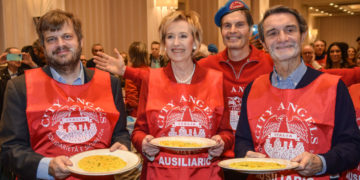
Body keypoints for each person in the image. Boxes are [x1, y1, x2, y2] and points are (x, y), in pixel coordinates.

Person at [94, 10, 233, 180]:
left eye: (183, 36)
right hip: (159, 173)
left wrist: (222, 142)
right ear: (163, 44)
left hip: (205, 174)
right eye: (169, 36)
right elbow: (139, 131)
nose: (176, 43)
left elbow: (227, 131)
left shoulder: (216, 80)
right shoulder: (152, 79)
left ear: (195, 41)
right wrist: (144, 143)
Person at [0, 9, 130, 180]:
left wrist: (122, 145)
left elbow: (120, 132)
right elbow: (10, 149)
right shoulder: (20, 87)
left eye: (67, 37)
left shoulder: (109, 83)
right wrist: (47, 166)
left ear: (81, 41)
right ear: (43, 47)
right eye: (51, 39)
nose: (60, 44)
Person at [235, 5, 360, 179]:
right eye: (272, 33)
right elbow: (242, 139)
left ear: (302, 36)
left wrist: (322, 162)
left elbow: (352, 146)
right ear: (263, 43)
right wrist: (246, 153)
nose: (282, 38)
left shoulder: (333, 87)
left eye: (290, 30)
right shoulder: (253, 88)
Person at [0, 47, 38, 116]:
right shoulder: (1, 74)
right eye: (14, 56)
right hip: (4, 112)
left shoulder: (25, 73)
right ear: (7, 58)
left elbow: (41, 79)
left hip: (23, 112)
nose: (18, 59)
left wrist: (31, 63)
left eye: (19, 56)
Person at [125, 41, 149, 117]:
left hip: (137, 115)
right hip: (150, 112)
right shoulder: (151, 72)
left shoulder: (131, 74)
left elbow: (132, 102)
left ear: (131, 56)